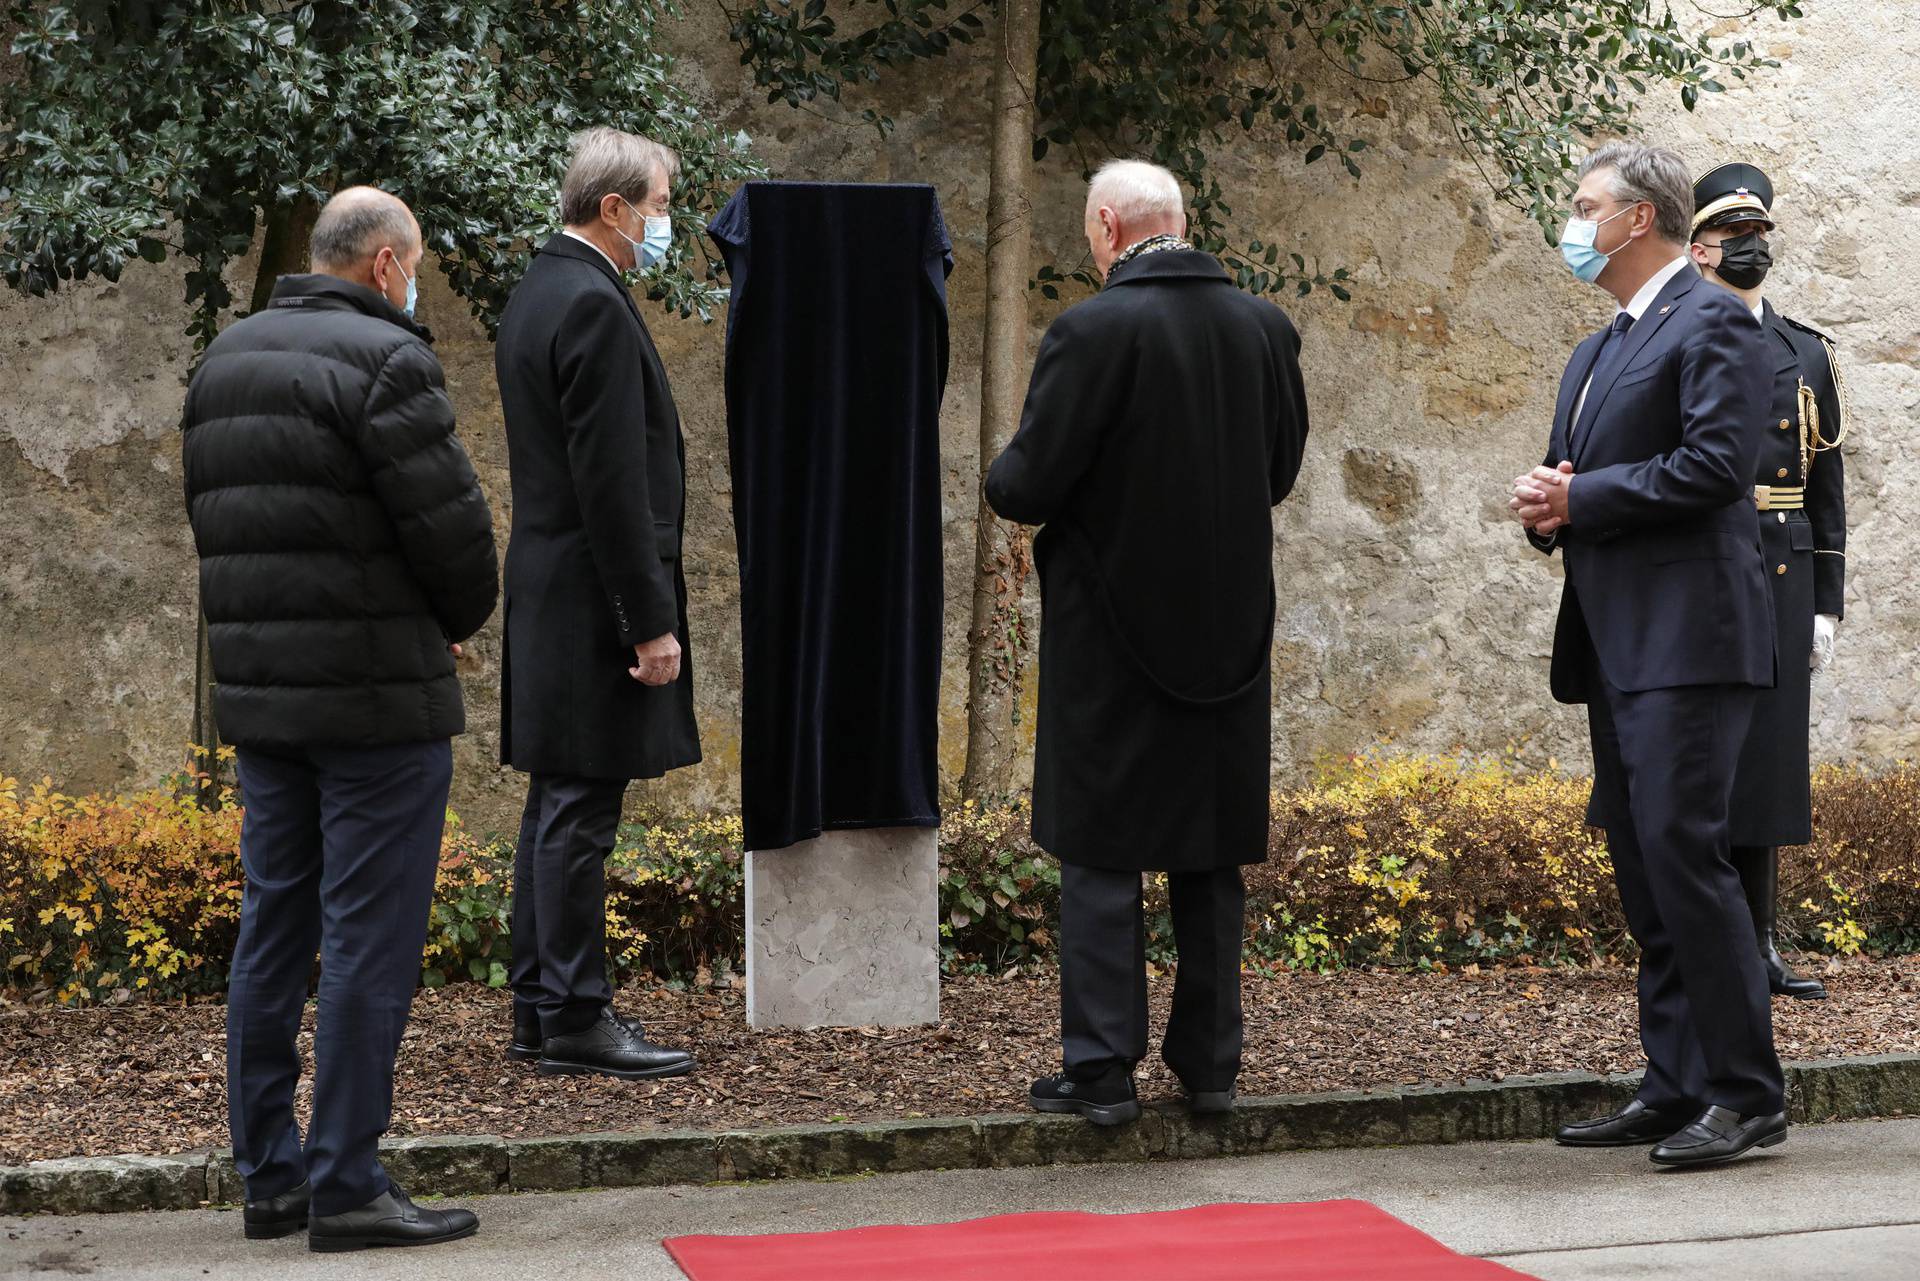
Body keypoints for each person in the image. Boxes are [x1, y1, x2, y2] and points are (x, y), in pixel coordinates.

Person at [182, 187, 498, 1248]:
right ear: (383, 264)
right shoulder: (388, 362)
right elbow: (454, 539)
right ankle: (350, 1181)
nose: (416, 283)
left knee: (274, 928)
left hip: (267, 702)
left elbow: (224, 534)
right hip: (375, 701)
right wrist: (450, 618)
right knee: (369, 937)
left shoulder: (224, 362)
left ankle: (269, 1175)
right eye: (415, 264)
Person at [985, 160, 1310, 1126]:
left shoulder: (1091, 330)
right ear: (1180, 221)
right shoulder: (1264, 328)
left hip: (1111, 635)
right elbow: (1279, 473)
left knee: (1100, 845)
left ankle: (1101, 1068)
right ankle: (1210, 1064)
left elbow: (1026, 485)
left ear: (1106, 227)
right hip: (1229, 634)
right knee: (1209, 851)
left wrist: (1009, 471)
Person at [1509, 141, 1787, 1169]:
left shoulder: (1715, 319)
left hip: (1692, 639)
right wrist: (1551, 507)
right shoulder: (1598, 348)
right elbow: (1585, 477)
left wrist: (1582, 498)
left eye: (1587, 206)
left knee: (1687, 856)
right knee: (1646, 869)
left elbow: (1716, 468)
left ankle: (1748, 1094)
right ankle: (1675, 1083)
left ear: (1639, 219)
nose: (1574, 223)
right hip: (1616, 639)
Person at [494, 126, 699, 1080]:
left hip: (552, 584)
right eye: (658, 206)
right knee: (580, 808)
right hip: (592, 597)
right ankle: (574, 1011)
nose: (664, 223)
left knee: (555, 800)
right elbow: (614, 483)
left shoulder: (541, 292)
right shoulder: (593, 305)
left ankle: (542, 1002)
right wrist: (650, 622)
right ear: (612, 209)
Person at [1688, 162, 1850, 1001]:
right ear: (1701, 246)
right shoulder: (1679, 334)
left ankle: (1759, 940)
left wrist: (1828, 603)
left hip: (1782, 566)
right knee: (1704, 754)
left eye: (1761, 236)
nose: (1751, 248)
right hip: (1707, 557)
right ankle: (1701, 938)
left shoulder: (1807, 352)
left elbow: (1827, 488)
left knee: (1772, 756)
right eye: (1735, 236)